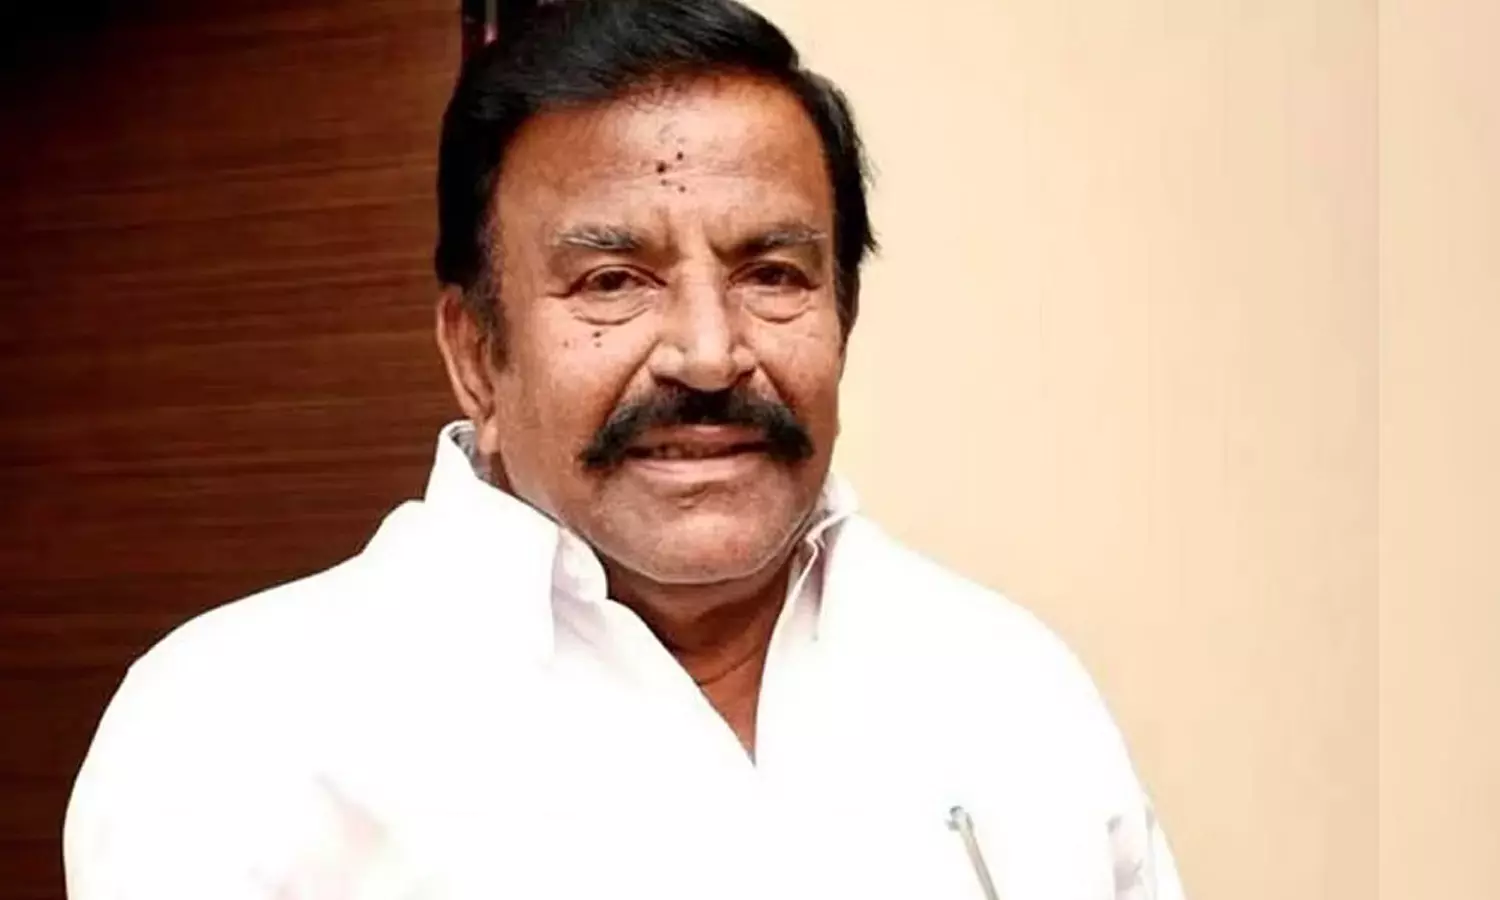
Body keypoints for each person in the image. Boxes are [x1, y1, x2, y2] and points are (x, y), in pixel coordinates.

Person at [63, 1, 1186, 897]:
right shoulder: (233, 731)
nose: (709, 353)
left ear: (843, 316)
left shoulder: (1009, 685)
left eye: (772, 273)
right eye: (613, 281)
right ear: (475, 353)